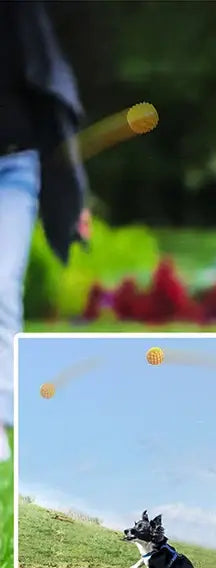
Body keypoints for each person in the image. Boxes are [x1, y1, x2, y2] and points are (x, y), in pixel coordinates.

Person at [0, 0, 89, 461]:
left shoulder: (19, 14)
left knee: (0, 286)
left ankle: (0, 421)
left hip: (14, 167)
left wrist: (73, 197)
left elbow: (53, 102)